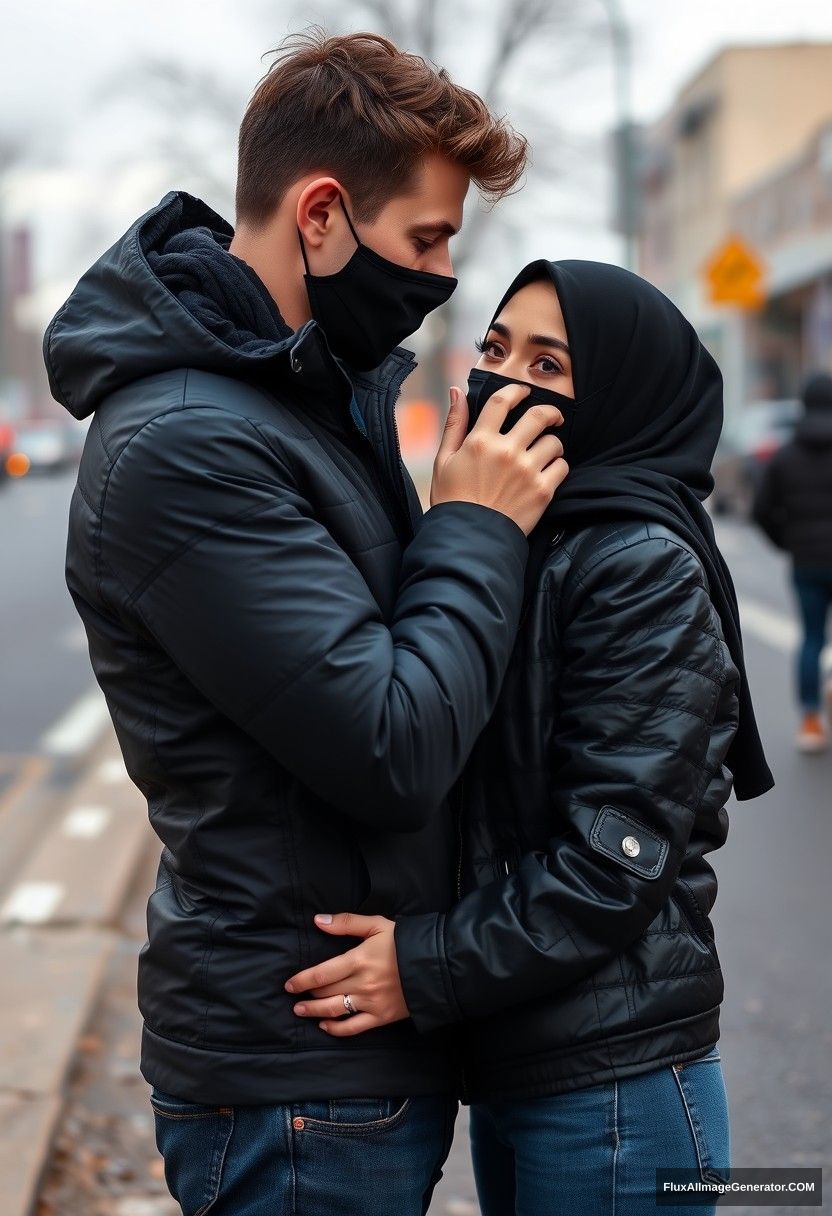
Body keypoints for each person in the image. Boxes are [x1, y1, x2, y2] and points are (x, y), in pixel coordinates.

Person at [42, 33, 569, 1216]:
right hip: (296, 1065)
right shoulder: (191, 442)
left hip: (344, 1048)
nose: (439, 276)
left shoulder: (307, 397)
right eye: (426, 240)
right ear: (322, 213)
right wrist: (476, 525)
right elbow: (390, 743)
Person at [287, 259, 774, 1215]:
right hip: (531, 1065)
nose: (505, 383)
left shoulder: (637, 561)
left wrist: (421, 967)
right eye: (497, 349)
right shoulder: (520, 540)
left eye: (549, 367)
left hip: (618, 1090)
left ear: (621, 397)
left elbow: (614, 860)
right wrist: (461, 529)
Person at [752, 372, 832, 752]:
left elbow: (761, 510)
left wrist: (787, 542)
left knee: (812, 638)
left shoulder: (785, 456)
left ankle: (812, 722)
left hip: (807, 560)